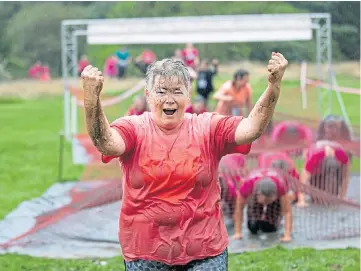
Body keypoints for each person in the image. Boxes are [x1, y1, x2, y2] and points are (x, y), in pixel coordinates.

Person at [81, 52, 288, 270]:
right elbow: (106, 143)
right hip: (145, 252)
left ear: (188, 95)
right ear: (148, 95)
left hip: (205, 251)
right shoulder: (132, 128)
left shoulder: (208, 127)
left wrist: (273, 86)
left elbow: (251, 129)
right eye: (161, 91)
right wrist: (91, 99)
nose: (169, 99)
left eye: (177, 91)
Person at [232, 167, 293, 242]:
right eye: (264, 201)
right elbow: (239, 209)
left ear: (276, 195)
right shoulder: (247, 185)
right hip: (254, 196)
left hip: (274, 195)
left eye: (268, 201)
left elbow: (287, 212)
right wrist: (237, 232)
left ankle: (274, 222)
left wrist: (287, 235)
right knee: (252, 226)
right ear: (258, 194)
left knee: (270, 228)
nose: (265, 203)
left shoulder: (281, 187)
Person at [297, 140, 351, 207]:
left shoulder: (343, 157)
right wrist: (301, 200)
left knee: (331, 198)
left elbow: (345, 177)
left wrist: (342, 197)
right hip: (316, 163)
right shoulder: (314, 157)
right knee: (316, 199)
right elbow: (303, 181)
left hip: (331, 156)